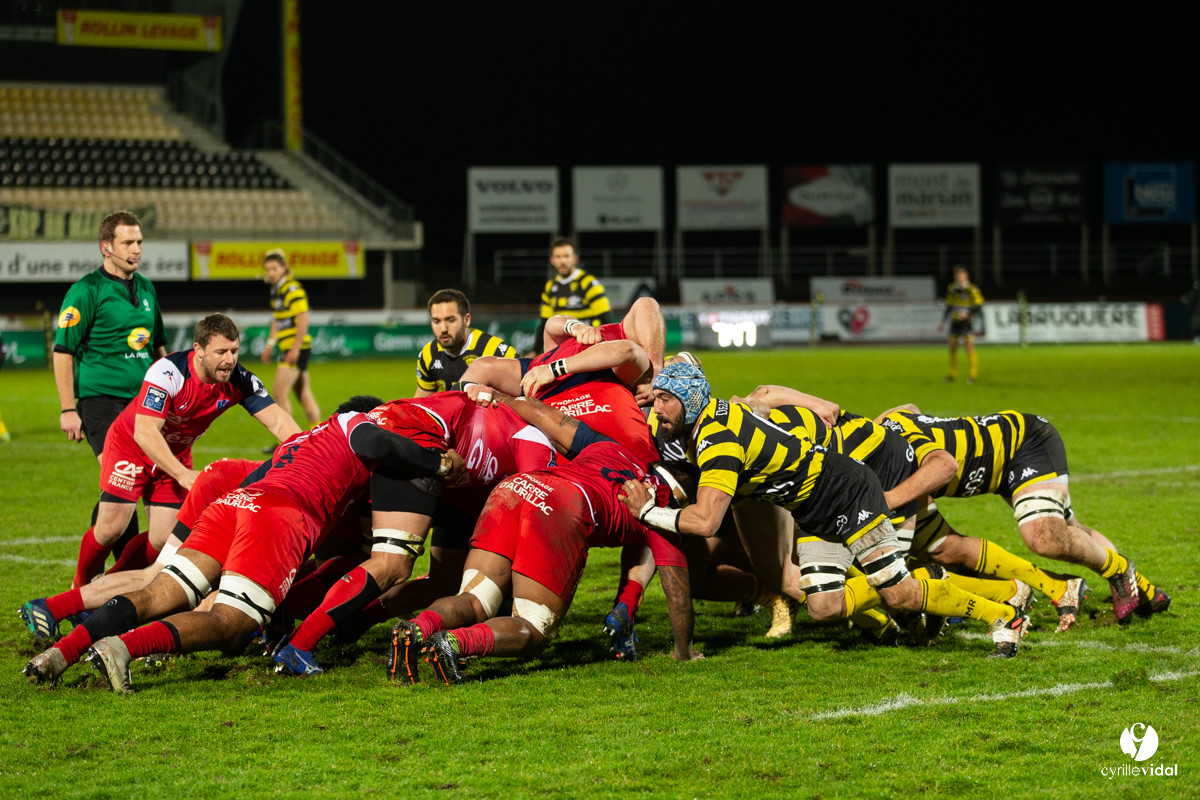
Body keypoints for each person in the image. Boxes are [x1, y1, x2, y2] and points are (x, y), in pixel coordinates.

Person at [23, 398, 466, 690]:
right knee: (232, 624)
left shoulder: (303, 439)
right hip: (279, 515)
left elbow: (257, 477)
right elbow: (373, 439)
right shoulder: (354, 423)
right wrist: (437, 463)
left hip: (236, 502)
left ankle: (60, 654)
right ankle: (124, 647)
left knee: (158, 591)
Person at [621, 362, 1031, 658]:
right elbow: (761, 398)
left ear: (691, 400)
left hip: (847, 494)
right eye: (656, 400)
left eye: (665, 400)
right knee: (823, 607)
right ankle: (923, 591)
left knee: (900, 593)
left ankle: (1001, 615)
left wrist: (647, 512)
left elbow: (707, 520)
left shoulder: (718, 441)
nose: (658, 409)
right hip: (814, 509)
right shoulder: (713, 415)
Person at [391, 389, 698, 685]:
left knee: (475, 599)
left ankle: (415, 629)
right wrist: (684, 652)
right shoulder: (660, 506)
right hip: (561, 506)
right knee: (534, 628)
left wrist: (500, 397)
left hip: (516, 487)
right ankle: (455, 643)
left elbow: (540, 413)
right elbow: (678, 595)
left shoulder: (613, 447)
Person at [270, 391, 557, 675]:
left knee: (443, 580)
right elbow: (536, 506)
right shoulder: (537, 441)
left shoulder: (515, 422)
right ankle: (298, 641)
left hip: (432, 465)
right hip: (415, 442)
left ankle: (351, 620)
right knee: (389, 563)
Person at [37, 313, 302, 597]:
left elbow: (278, 422)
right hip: (131, 445)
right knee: (111, 527)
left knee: (163, 539)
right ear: (199, 350)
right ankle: (78, 586)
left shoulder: (240, 379)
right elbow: (145, 432)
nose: (230, 360)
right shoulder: (169, 372)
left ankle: (106, 586)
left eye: (234, 351)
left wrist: (307, 454)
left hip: (174, 454)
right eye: (221, 352)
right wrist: (182, 475)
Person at [876, 405, 1171, 625]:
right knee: (942, 549)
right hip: (998, 461)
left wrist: (891, 499)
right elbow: (909, 408)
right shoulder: (879, 436)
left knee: (1044, 537)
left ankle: (1118, 570)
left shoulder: (892, 453)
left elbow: (945, 466)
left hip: (1025, 445)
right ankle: (1144, 589)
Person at [53, 210, 167, 565]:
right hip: (100, 402)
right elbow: (63, 352)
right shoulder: (86, 290)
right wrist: (68, 408)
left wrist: (175, 391)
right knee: (124, 482)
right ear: (106, 247)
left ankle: (118, 573)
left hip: (144, 403)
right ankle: (119, 573)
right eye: (128, 242)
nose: (137, 249)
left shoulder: (146, 288)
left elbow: (158, 348)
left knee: (131, 487)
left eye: (139, 242)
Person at [415, 289, 516, 396]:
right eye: (436, 321)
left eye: (451, 320)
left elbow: (523, 397)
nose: (443, 329)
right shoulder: (428, 354)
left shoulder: (496, 351)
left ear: (466, 320)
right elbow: (419, 403)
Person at [260, 249, 321, 427]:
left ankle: (288, 438)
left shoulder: (291, 289)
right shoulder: (277, 291)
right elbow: (277, 320)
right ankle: (317, 434)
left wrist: (295, 347)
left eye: (274, 268)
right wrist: (270, 344)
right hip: (292, 347)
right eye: (268, 270)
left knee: (279, 393)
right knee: (303, 395)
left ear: (284, 268)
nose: (271, 273)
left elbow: (303, 316)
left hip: (295, 348)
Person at [534, 237, 612, 354]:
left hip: (587, 346)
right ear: (552, 260)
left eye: (566, 256)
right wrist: (535, 350)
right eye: (558, 257)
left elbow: (605, 318)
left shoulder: (588, 283)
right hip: (562, 350)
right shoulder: (550, 287)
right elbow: (544, 323)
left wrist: (608, 346)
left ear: (575, 258)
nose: (562, 261)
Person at [938, 264, 984, 383]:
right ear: (955, 276)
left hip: (967, 322)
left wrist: (967, 313)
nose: (960, 277)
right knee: (952, 348)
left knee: (969, 348)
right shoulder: (952, 288)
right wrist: (943, 322)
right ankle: (952, 374)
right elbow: (949, 306)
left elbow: (979, 304)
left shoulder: (972, 289)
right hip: (955, 322)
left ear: (966, 276)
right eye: (958, 275)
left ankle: (972, 375)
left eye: (962, 275)